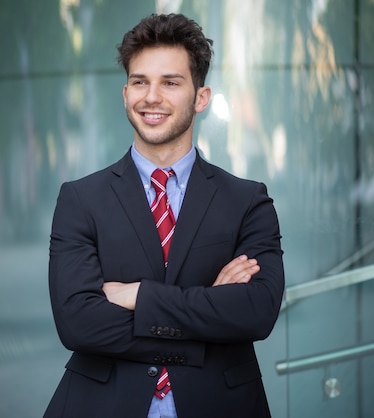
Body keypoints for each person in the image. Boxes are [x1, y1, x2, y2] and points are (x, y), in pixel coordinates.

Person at [45, 13, 284, 418]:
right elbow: (78, 323)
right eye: (140, 81)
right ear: (125, 94)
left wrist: (137, 295)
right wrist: (210, 309)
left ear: (201, 97)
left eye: (170, 82)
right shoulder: (80, 199)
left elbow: (256, 312)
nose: (151, 97)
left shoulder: (247, 201)